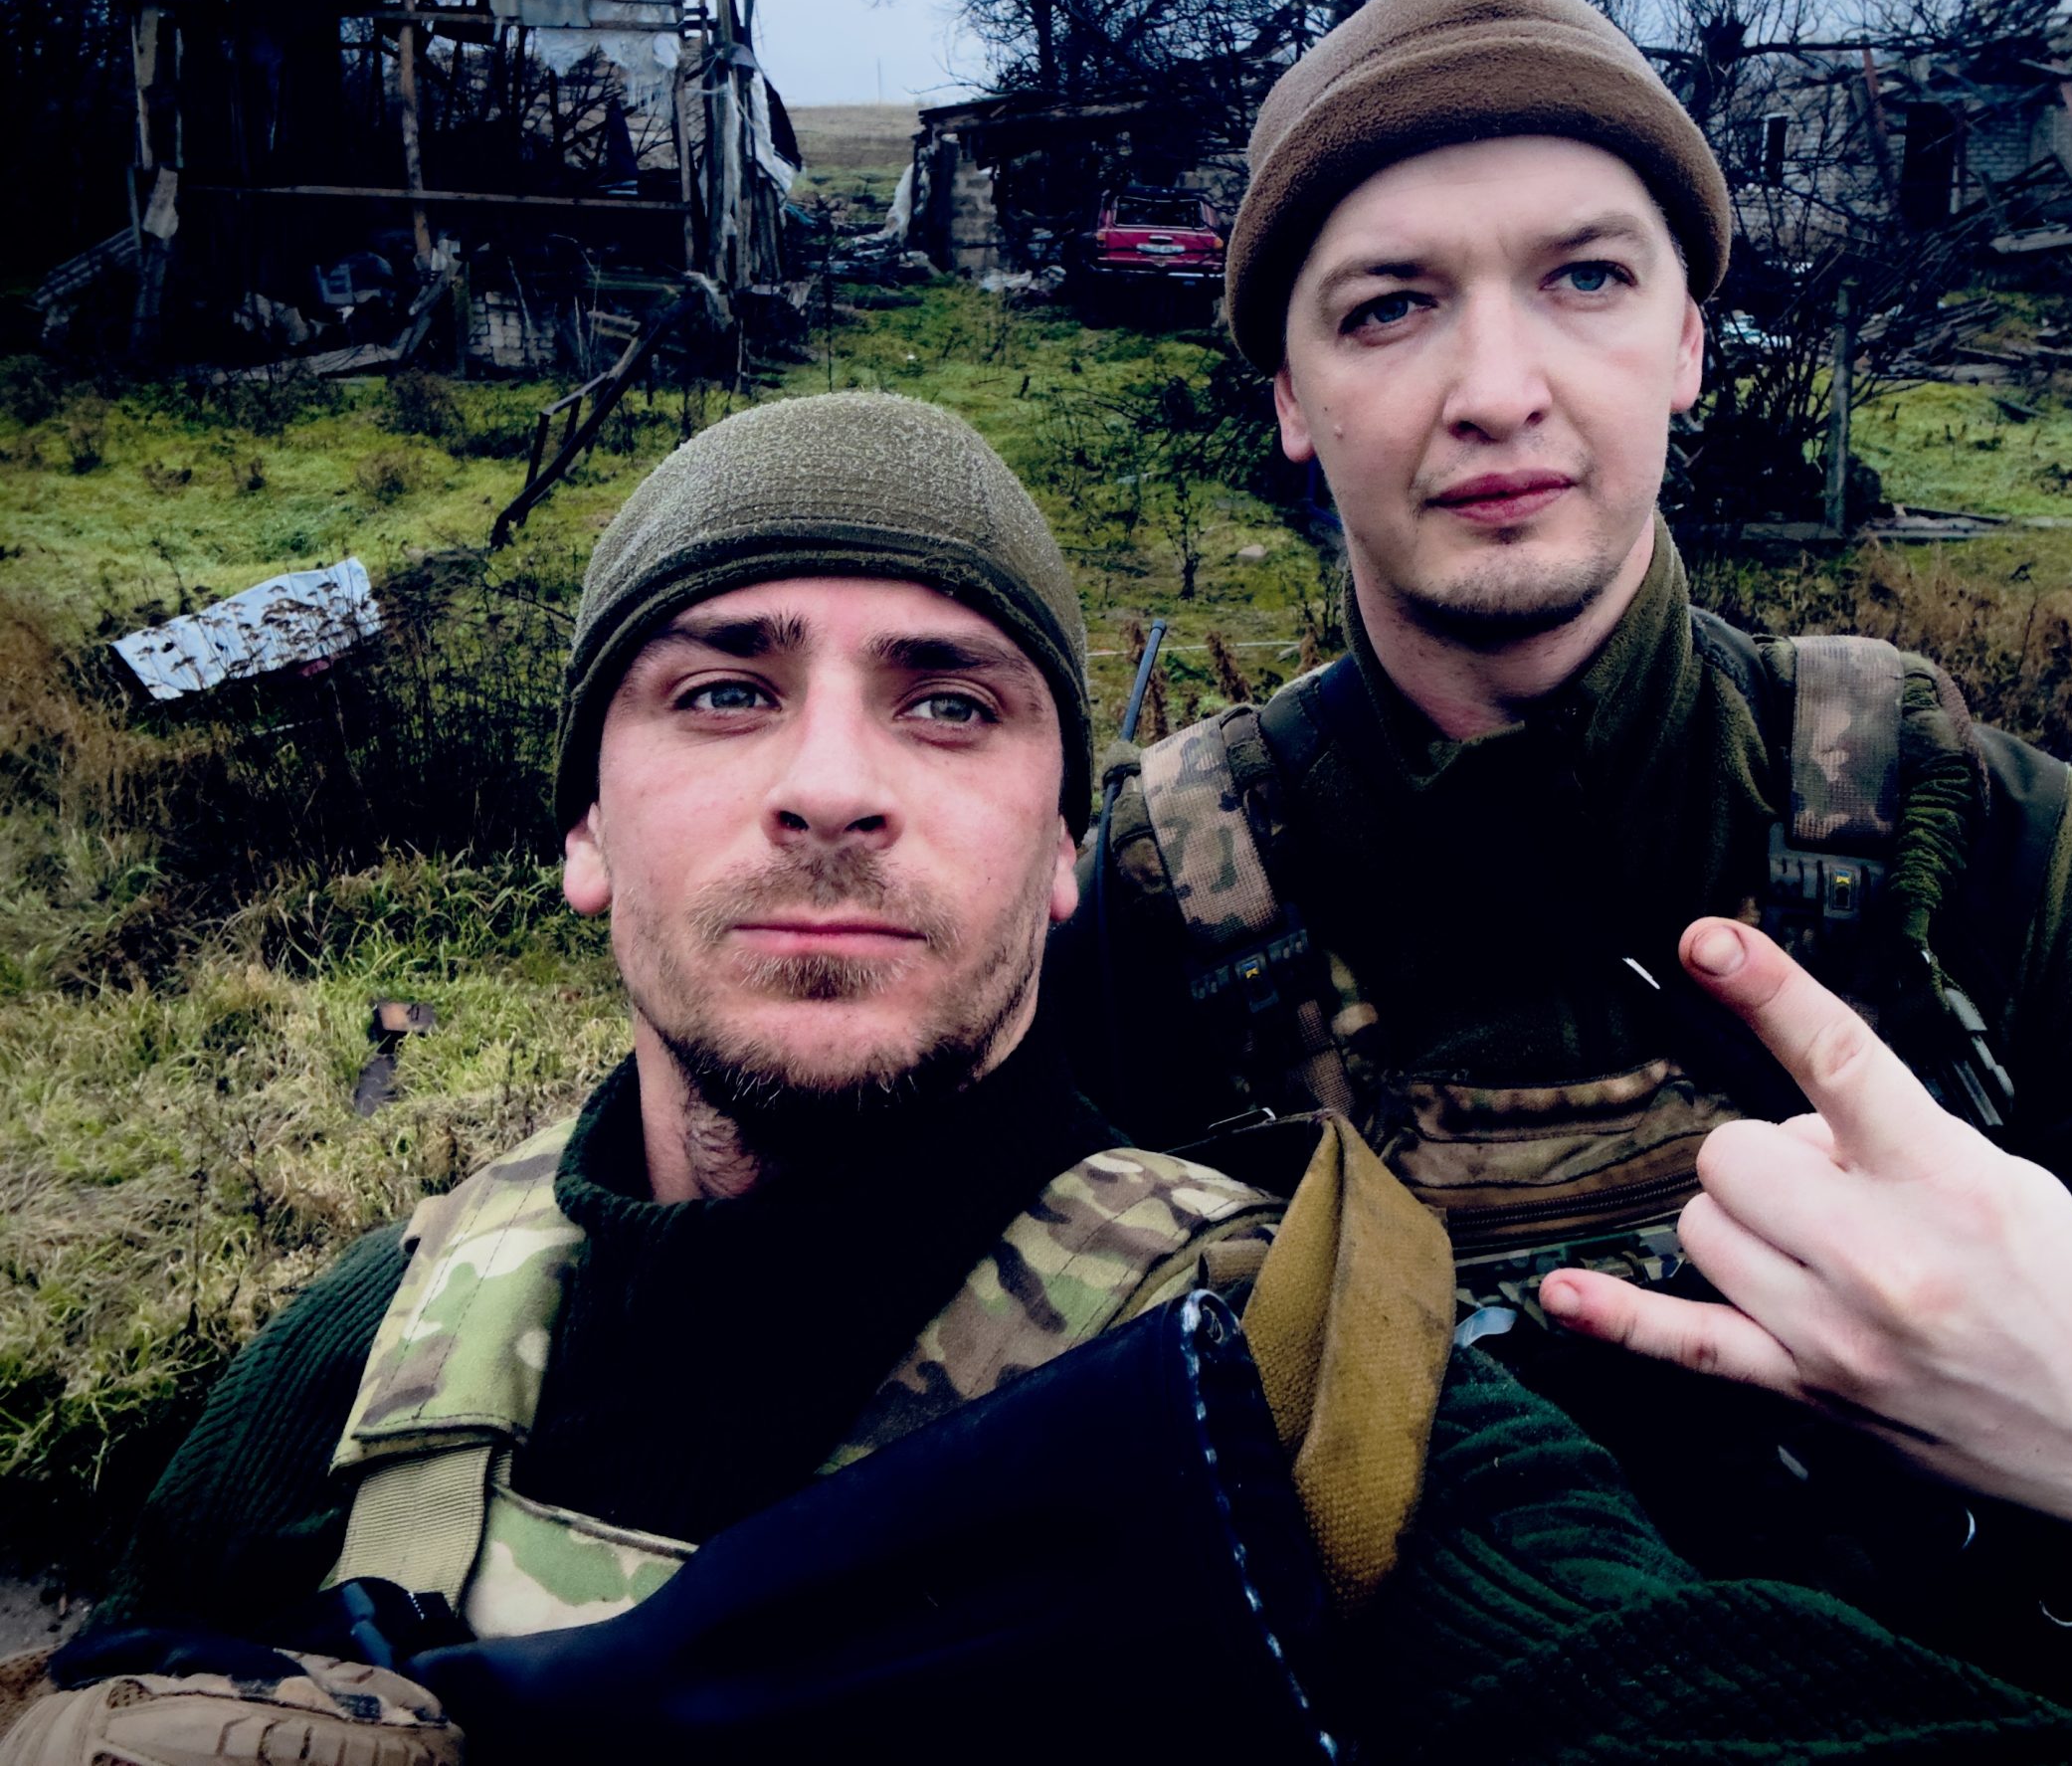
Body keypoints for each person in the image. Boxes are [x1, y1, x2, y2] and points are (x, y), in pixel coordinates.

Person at [1048, 0, 2072, 1717]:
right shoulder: (1153, 910)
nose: (1498, 387)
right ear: (1293, 400)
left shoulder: (1980, 846)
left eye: (1587, 278)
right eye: (1388, 306)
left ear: (1689, 342)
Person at [8, 393, 1348, 1757]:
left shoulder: (1284, 1375)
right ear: (587, 831)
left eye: (950, 704)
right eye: (723, 693)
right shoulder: (366, 1350)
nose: (831, 788)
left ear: (1062, 848)